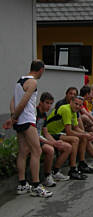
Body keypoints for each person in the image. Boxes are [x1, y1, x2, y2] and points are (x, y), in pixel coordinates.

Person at [4, 60, 52, 197]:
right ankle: (36, 186)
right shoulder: (33, 82)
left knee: (23, 152)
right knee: (36, 150)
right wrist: (14, 117)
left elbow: (13, 101)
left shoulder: (20, 80)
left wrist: (13, 117)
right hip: (27, 119)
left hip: (19, 120)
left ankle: (22, 184)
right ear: (41, 70)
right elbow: (24, 102)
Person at [47, 95, 93, 174]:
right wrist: (84, 135)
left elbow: (76, 128)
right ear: (71, 102)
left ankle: (81, 164)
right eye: (76, 104)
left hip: (58, 132)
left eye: (80, 105)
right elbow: (69, 132)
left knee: (83, 137)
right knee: (75, 139)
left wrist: (86, 134)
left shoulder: (74, 111)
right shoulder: (66, 109)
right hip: (51, 133)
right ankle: (72, 168)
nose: (78, 106)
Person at [36, 92, 72, 187]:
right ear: (41, 102)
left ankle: (55, 172)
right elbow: (34, 135)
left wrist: (55, 142)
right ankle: (47, 176)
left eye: (51, 103)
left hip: (41, 138)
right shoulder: (35, 113)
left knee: (67, 147)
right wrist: (51, 143)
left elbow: (46, 133)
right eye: (47, 103)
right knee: (50, 150)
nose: (49, 106)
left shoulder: (44, 115)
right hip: (33, 139)